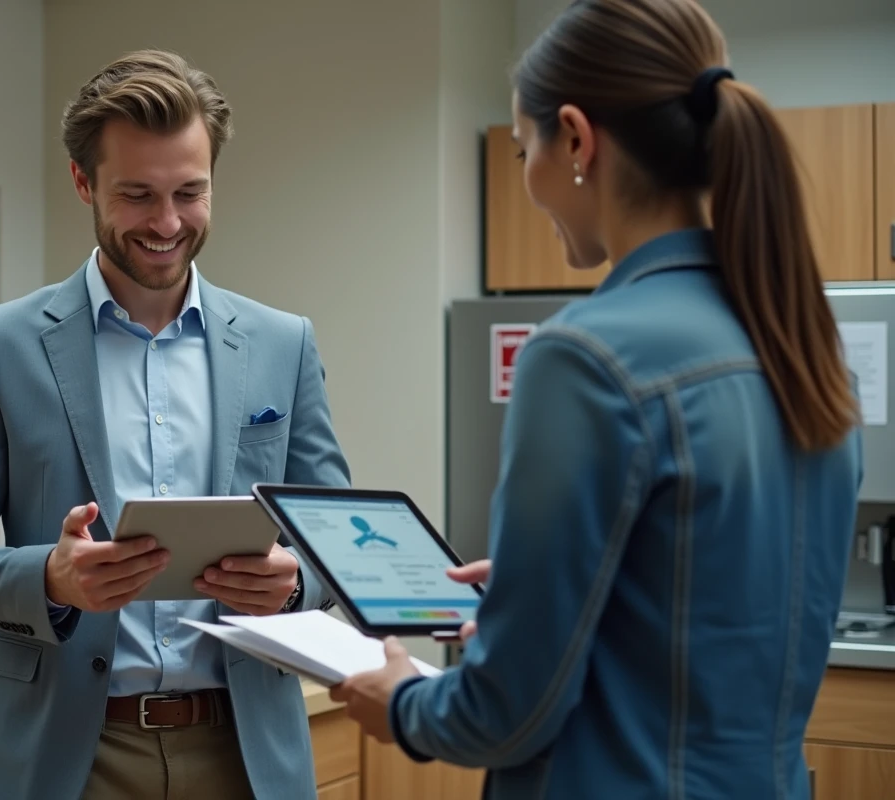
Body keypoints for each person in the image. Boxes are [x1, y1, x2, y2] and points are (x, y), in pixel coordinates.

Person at [330, 0, 863, 797]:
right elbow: (718, 608)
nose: (528, 179)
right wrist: (543, 589)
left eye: (522, 151)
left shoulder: (585, 356)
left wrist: (402, 702)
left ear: (576, 139)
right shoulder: (808, 352)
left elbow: (504, 713)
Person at [0, 49, 351, 800]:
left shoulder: (284, 343)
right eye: (138, 195)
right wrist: (48, 576)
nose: (168, 223)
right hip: (65, 757)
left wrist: (296, 581)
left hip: (245, 755)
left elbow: (332, 535)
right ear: (84, 183)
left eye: (190, 192)